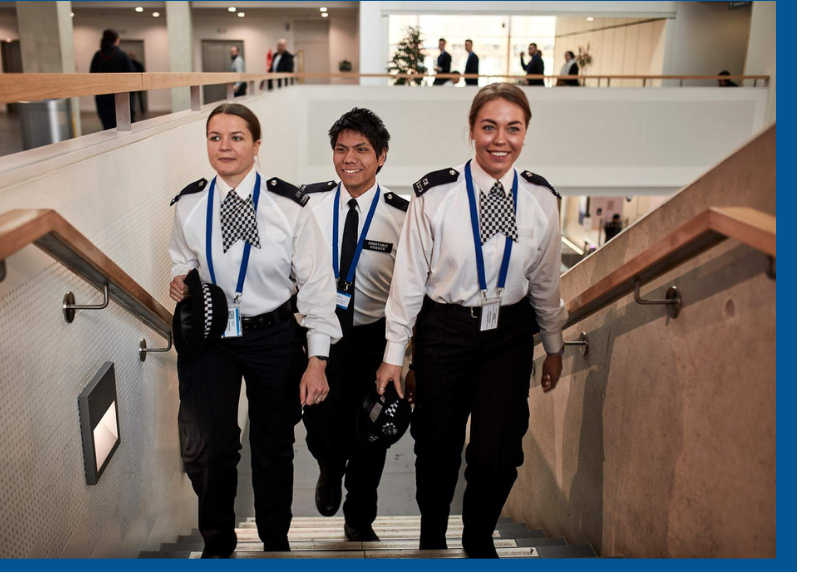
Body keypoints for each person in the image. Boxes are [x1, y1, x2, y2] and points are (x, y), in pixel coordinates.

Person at [376, 83, 567, 558]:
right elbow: (408, 281)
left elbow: (545, 281)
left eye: (513, 128)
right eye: (489, 127)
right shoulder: (434, 195)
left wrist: (555, 344)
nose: (500, 139)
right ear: (471, 131)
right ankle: (432, 534)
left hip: (509, 334)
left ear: (525, 134)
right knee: (436, 446)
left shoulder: (542, 200)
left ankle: (479, 539)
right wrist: (394, 356)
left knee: (498, 451)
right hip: (445, 330)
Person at [168, 103, 342, 558]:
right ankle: (218, 548)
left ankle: (275, 544)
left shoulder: (289, 207)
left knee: (273, 447)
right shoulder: (189, 204)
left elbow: (318, 288)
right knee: (208, 448)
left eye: (237, 137)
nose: (225, 147)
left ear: (257, 145)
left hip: (273, 337)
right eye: (215, 137)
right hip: (210, 340)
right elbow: (182, 257)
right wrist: (181, 277)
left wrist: (317, 359)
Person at [299, 107, 409, 542]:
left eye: (361, 149)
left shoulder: (403, 215)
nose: (350, 158)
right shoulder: (308, 204)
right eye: (341, 149)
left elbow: (410, 292)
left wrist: (403, 357)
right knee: (321, 425)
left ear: (381, 156)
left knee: (371, 433)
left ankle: (360, 517)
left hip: (372, 339)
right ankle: (329, 467)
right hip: (319, 335)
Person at [89, 29, 135, 130]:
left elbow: (91, 77)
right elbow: (132, 77)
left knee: (108, 129)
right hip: (121, 98)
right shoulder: (122, 56)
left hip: (102, 98)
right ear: (116, 40)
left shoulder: (97, 56)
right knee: (125, 129)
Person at [128, 51, 148, 118]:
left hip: (138, 83)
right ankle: (132, 110)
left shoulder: (138, 64)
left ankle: (142, 110)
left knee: (140, 98)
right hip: (131, 84)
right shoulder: (128, 64)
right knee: (132, 99)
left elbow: (143, 73)